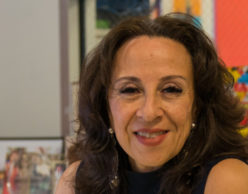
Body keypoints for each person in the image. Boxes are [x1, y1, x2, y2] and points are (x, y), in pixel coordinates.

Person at [55, 13, 248, 194]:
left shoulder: (228, 180)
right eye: (130, 90)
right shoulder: (75, 182)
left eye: (171, 89)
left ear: (197, 105)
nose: (149, 112)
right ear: (105, 105)